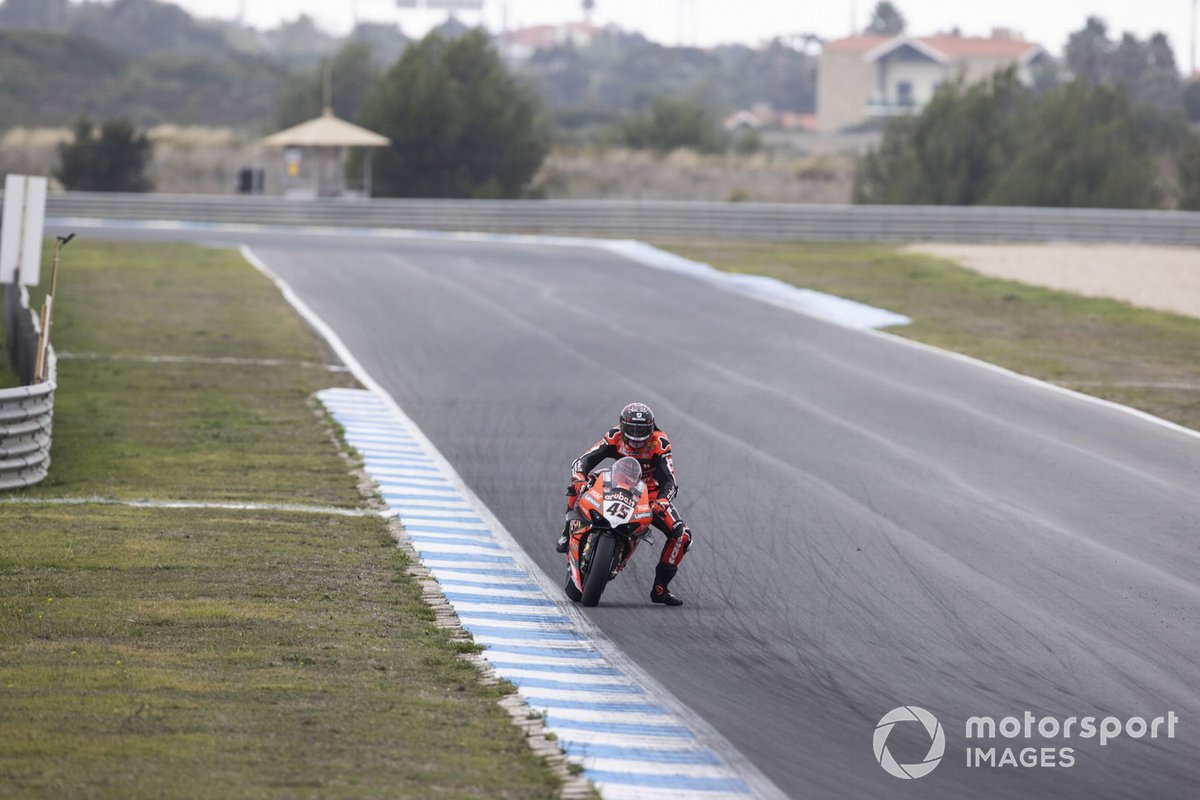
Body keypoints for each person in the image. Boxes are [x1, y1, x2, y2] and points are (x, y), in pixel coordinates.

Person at [557, 402, 692, 606]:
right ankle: (567, 532)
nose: (637, 437)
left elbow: (670, 481)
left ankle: (660, 589)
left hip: (649, 495)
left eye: (642, 430)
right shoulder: (614, 436)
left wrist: (663, 501)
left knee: (682, 535)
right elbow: (584, 459)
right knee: (578, 486)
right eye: (632, 430)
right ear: (622, 426)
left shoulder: (660, 443)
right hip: (616, 484)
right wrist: (578, 478)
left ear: (651, 428)